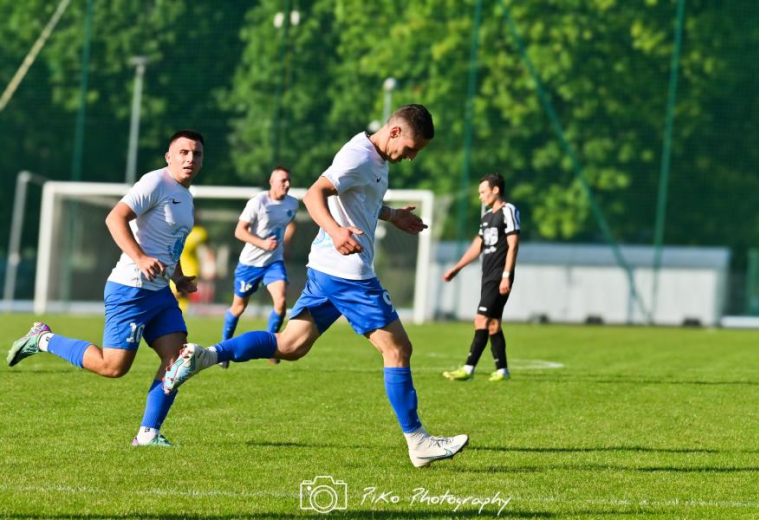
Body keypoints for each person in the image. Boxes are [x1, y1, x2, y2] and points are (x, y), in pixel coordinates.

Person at [162, 105, 468, 467]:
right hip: (348, 273)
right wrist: (338, 232)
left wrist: (392, 215)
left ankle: (206, 355)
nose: (412, 157)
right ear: (396, 132)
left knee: (290, 346)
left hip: (327, 271)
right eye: (412, 148)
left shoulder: (376, 159)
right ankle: (418, 441)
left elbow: (360, 199)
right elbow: (314, 195)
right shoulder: (358, 155)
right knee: (398, 349)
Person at [7, 130, 205, 447]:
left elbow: (172, 245)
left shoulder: (187, 197)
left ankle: (148, 434)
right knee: (112, 367)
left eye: (196, 154)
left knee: (178, 361)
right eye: (183, 152)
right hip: (130, 290)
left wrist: (178, 278)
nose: (190, 159)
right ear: (169, 157)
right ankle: (43, 339)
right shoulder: (154, 183)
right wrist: (139, 258)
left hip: (160, 294)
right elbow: (115, 218)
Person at [442, 173, 520, 382]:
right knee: (493, 323)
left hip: (499, 276)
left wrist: (506, 276)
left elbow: (513, 246)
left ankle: (468, 369)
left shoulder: (509, 211)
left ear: (495, 190)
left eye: (483, 192)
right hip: (488, 276)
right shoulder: (486, 217)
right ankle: (502, 370)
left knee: (481, 319)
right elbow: (478, 245)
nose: (480, 197)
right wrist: (457, 268)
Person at [220, 166, 298, 368]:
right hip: (250, 264)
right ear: (271, 182)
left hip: (274, 262)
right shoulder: (258, 203)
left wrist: (286, 245)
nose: (287, 184)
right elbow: (239, 231)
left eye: (288, 180)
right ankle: (224, 349)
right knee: (239, 308)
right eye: (282, 180)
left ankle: (272, 348)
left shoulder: (292, 203)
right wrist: (262, 243)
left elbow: (289, 224)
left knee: (280, 302)